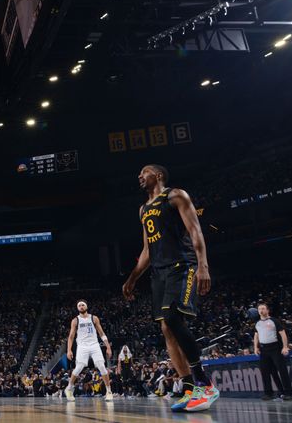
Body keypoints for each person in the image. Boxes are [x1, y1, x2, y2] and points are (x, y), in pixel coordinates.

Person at [123, 165, 219, 412]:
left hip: (182, 265)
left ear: (158, 175)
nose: (139, 175)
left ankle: (205, 385)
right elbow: (147, 250)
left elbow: (195, 230)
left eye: (144, 172)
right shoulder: (143, 209)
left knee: (173, 317)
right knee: (167, 328)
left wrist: (203, 266)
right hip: (159, 272)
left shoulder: (176, 195)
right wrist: (132, 278)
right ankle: (189, 389)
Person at [64, 300, 114, 402]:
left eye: (83, 305)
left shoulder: (94, 318)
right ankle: (69, 388)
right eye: (79, 305)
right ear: (77, 308)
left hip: (94, 345)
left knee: (101, 366)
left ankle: (109, 391)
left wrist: (108, 347)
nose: (81, 307)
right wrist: (69, 350)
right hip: (82, 346)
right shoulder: (75, 320)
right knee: (79, 367)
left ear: (86, 306)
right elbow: (71, 337)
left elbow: (102, 334)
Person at [254, 302, 292, 401]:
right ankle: (269, 393)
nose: (261, 311)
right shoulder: (257, 323)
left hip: (275, 348)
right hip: (264, 349)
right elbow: (256, 335)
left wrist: (284, 346)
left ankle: (288, 393)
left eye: (263, 308)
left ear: (267, 310)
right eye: (259, 309)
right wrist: (255, 347)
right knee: (265, 372)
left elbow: (283, 334)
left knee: (282, 370)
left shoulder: (274, 321)